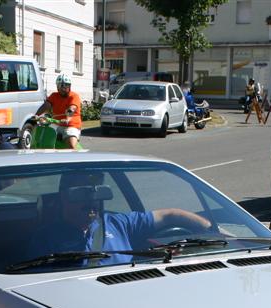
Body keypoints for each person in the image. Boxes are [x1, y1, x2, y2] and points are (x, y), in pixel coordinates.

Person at [35, 172, 214, 266]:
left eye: (96, 193)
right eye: (82, 193)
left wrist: (214, 232)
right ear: (64, 198)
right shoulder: (45, 239)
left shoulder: (118, 223)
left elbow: (171, 215)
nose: (91, 200)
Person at [34, 73, 83, 149]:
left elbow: (71, 109)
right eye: (61, 86)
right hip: (56, 124)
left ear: (69, 86)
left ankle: (73, 158)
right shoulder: (54, 96)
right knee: (43, 137)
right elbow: (46, 105)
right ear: (57, 86)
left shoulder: (74, 96)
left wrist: (68, 119)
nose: (63, 88)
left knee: (71, 145)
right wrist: (36, 115)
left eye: (66, 85)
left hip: (71, 125)